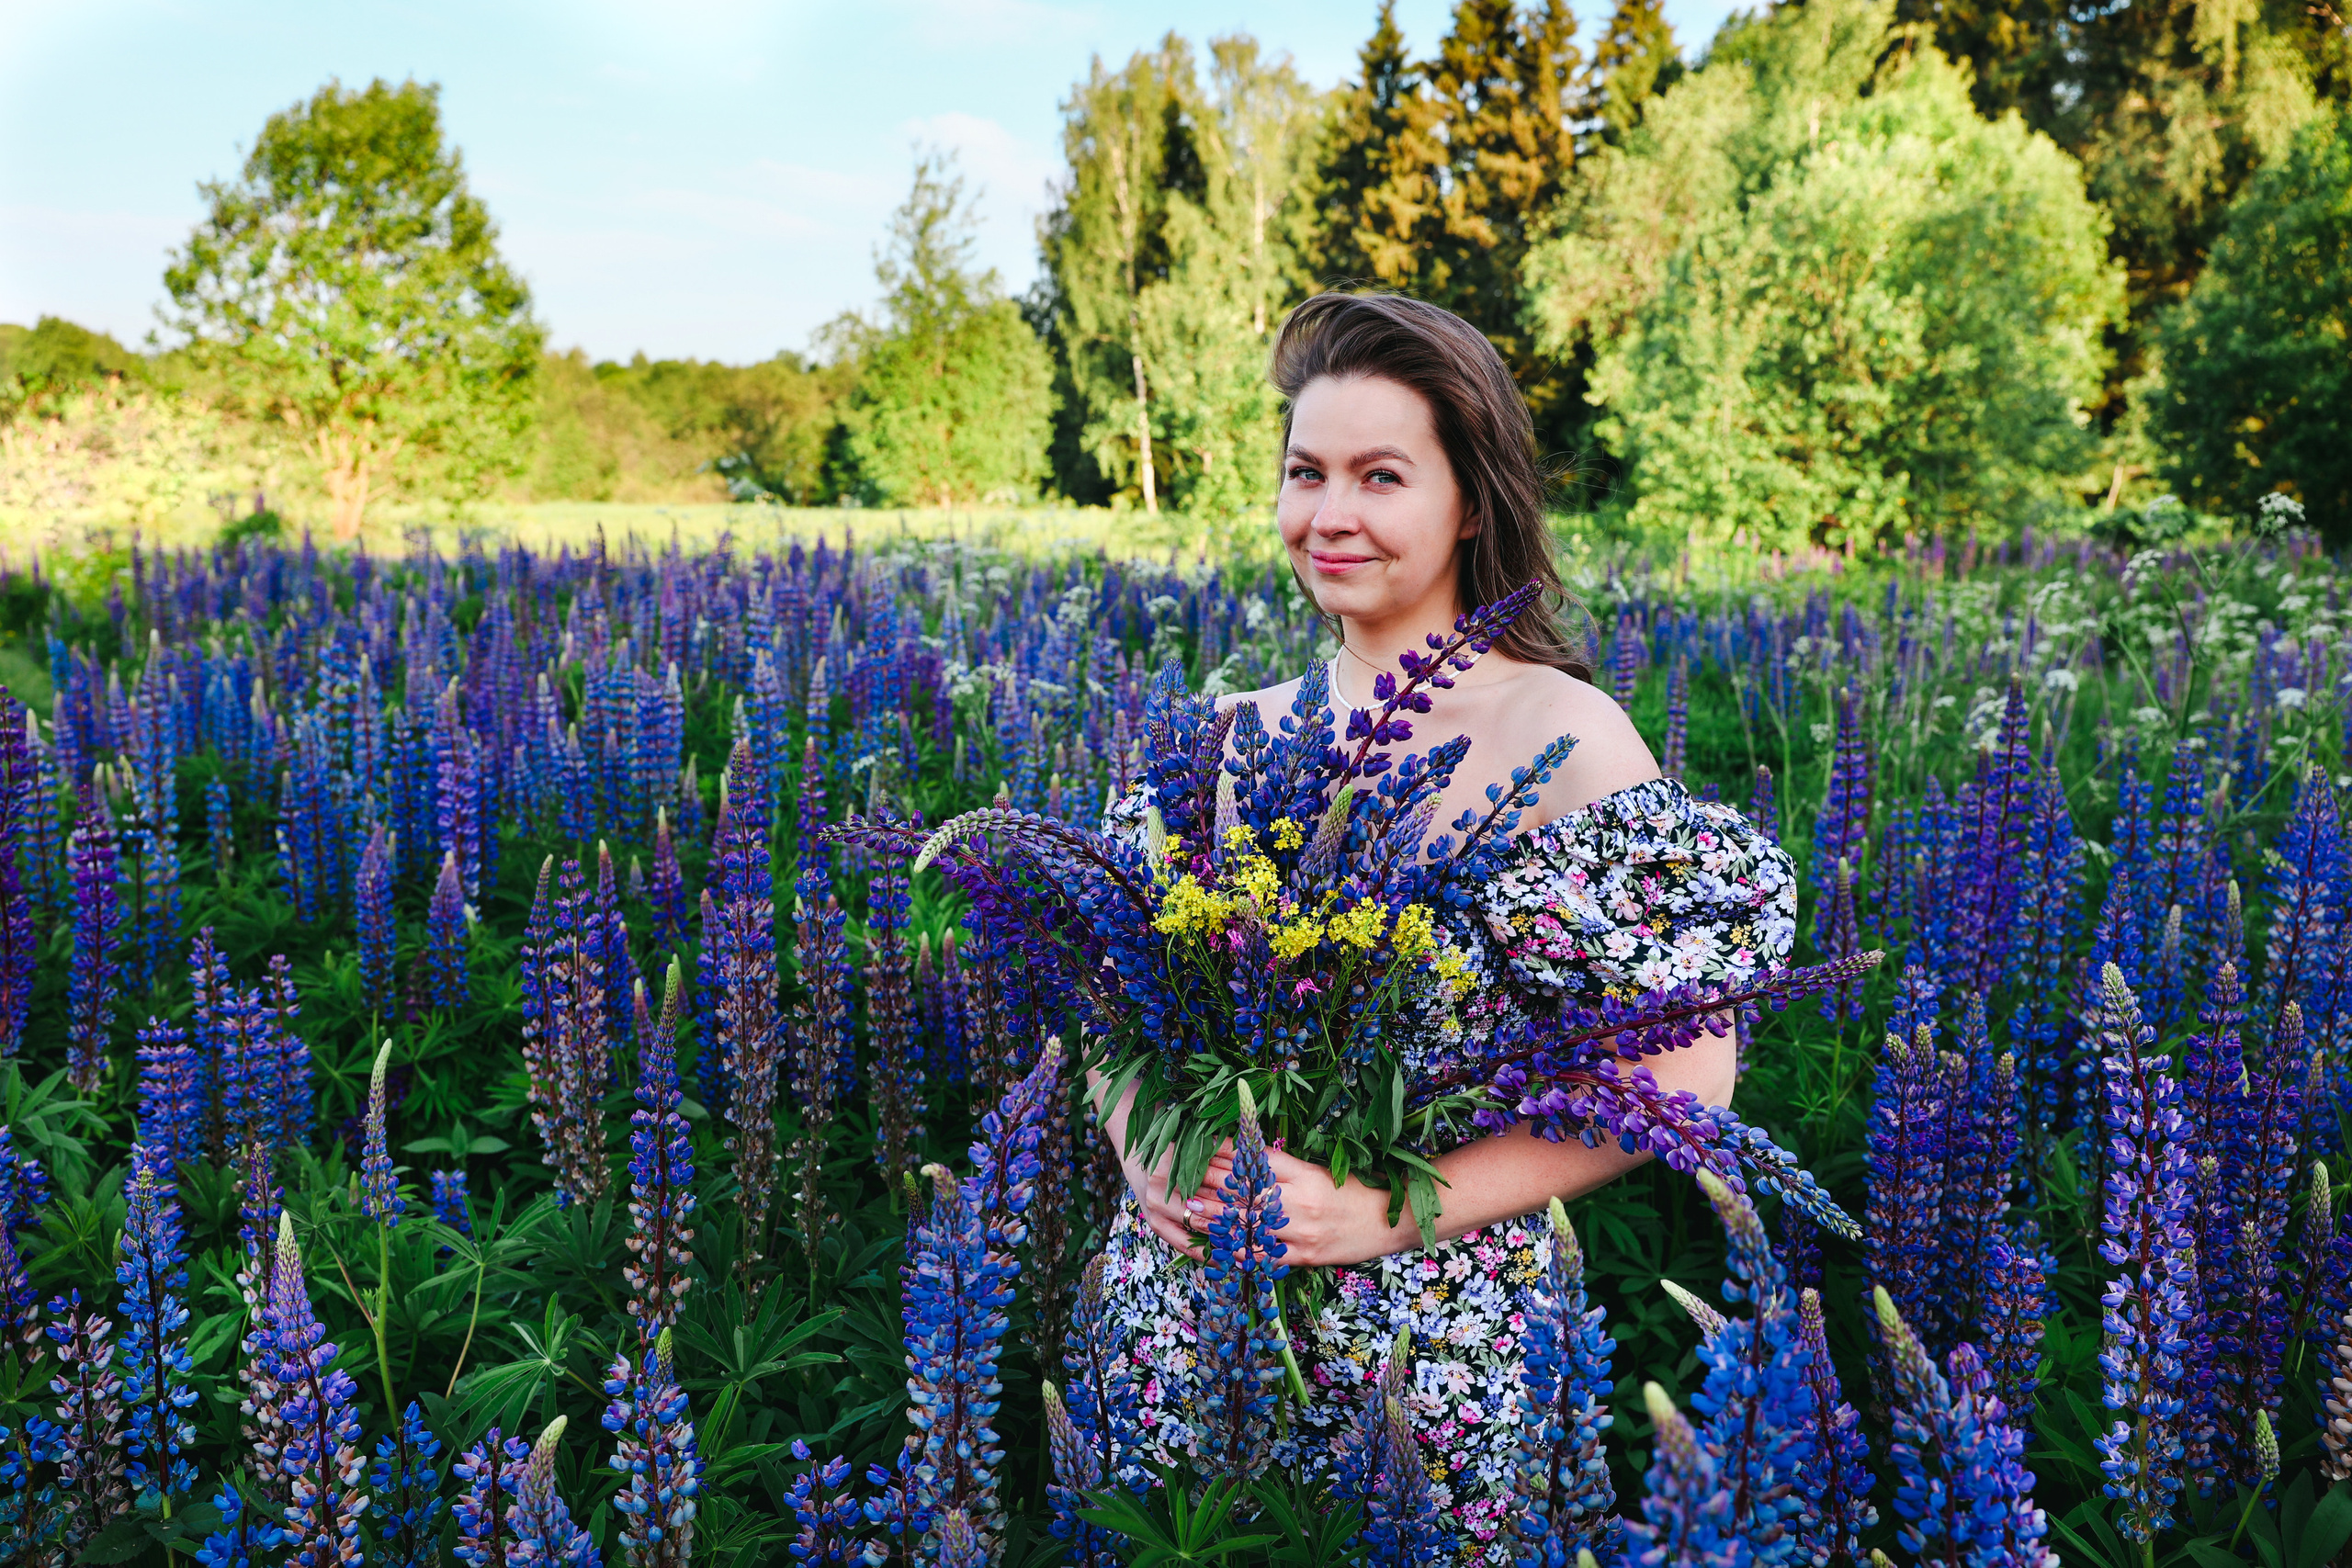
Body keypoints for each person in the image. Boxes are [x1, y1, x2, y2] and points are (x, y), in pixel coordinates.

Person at [1090, 291, 1797, 1560]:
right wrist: (1144, 1145)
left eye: (1380, 474)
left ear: (1471, 499)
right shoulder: (1223, 734)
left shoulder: (1565, 738)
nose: (1331, 514)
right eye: (1307, 472)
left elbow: (1689, 1071)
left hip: (1429, 1359)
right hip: (1183, 1329)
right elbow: (1108, 1005)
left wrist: (1380, 1214)